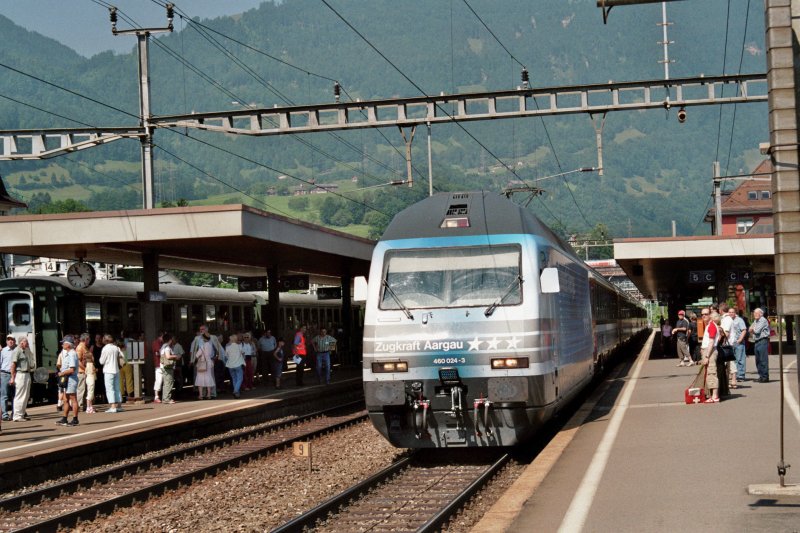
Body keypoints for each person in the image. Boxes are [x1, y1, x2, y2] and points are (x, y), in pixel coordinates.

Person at [190, 325, 224, 398]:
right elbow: (193, 349)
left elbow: (218, 348)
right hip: (202, 361)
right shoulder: (197, 338)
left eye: (202, 329)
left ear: (207, 330)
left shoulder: (213, 337)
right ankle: (206, 394)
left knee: (206, 377)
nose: (201, 330)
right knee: (208, 377)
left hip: (209, 360)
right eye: (200, 329)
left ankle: (211, 393)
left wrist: (216, 357)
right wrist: (192, 360)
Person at [9, 336, 35, 422]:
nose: (27, 344)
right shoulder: (17, 351)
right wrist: (12, 377)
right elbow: (13, 365)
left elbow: (31, 361)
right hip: (20, 374)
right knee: (19, 395)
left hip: (27, 374)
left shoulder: (27, 350)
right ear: (21, 343)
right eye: (26, 342)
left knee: (26, 395)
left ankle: (22, 413)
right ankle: (17, 415)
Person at [56, 336, 80, 426]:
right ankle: (64, 418)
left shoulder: (72, 354)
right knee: (65, 399)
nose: (62, 344)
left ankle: (75, 419)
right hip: (67, 379)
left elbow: (72, 369)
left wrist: (62, 373)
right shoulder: (68, 353)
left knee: (73, 399)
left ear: (68, 345)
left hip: (71, 379)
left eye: (63, 343)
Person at [699, 309, 721, 403]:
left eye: (706, 314)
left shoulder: (711, 325)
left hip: (710, 352)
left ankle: (715, 396)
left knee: (711, 372)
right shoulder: (710, 325)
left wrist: (707, 356)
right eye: (702, 314)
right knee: (709, 372)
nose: (703, 316)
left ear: (710, 315)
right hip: (709, 350)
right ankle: (712, 395)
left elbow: (711, 341)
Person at [99, 334, 124, 413]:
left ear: (105, 340)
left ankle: (113, 406)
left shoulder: (105, 349)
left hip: (108, 370)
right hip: (116, 370)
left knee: (110, 389)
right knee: (117, 388)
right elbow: (122, 356)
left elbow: (101, 361)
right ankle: (119, 405)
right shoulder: (116, 347)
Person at [192, 330, 216, 400]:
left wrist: (195, 358)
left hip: (202, 363)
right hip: (209, 362)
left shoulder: (202, 346)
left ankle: (201, 395)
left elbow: (197, 355)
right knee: (208, 378)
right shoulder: (210, 346)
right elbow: (212, 354)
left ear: (204, 338)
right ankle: (209, 395)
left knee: (200, 379)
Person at [159, 333, 181, 404]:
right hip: (167, 367)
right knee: (169, 382)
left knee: (166, 383)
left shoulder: (163, 346)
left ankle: (165, 398)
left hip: (163, 366)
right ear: (170, 340)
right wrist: (175, 356)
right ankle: (167, 399)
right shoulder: (167, 347)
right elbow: (168, 356)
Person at [728, 307, 747, 387]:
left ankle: (741, 376)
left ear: (735, 313)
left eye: (732, 312)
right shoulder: (728, 320)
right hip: (731, 343)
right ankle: (734, 376)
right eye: (729, 312)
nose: (731, 313)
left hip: (738, 342)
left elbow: (744, 330)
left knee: (740, 359)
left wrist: (740, 339)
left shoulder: (739, 320)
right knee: (733, 360)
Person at [750, 308, 770, 382]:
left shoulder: (763, 320)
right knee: (758, 360)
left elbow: (756, 330)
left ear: (761, 314)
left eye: (756, 313)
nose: (754, 314)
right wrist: (752, 329)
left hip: (762, 341)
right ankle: (761, 376)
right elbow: (750, 329)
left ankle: (765, 377)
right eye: (754, 313)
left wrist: (753, 329)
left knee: (763, 360)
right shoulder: (756, 320)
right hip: (757, 341)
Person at [225, 334, 245, 398]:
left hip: (230, 365)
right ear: (236, 339)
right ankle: (236, 390)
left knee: (234, 379)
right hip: (238, 364)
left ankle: (237, 394)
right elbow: (243, 353)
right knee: (240, 378)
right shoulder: (239, 346)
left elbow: (226, 356)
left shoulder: (228, 347)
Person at [0, 335, 16, 421]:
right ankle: (5, 415)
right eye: (9, 340)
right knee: (4, 396)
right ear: (6, 341)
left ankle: (14, 413)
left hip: (15, 375)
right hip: (4, 374)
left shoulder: (17, 350)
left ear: (14, 341)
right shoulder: (3, 351)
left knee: (15, 395)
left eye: (12, 340)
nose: (10, 341)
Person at [76, 333, 90, 412]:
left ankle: (83, 405)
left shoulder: (84, 347)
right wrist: (85, 369)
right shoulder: (80, 347)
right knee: (81, 389)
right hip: (81, 372)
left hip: (85, 371)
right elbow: (78, 361)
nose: (89, 341)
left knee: (84, 389)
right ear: (86, 339)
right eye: (88, 339)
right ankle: (79, 405)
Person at [84, 341, 97, 414]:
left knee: (89, 392)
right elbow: (93, 371)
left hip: (88, 378)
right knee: (90, 394)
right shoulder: (91, 364)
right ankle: (89, 407)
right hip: (91, 379)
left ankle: (90, 407)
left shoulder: (87, 364)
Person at [152, 331, 165, 403]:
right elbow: (158, 352)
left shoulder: (163, 343)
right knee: (159, 380)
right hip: (159, 364)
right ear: (161, 336)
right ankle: (156, 396)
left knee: (164, 381)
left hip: (163, 364)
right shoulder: (156, 343)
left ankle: (164, 396)